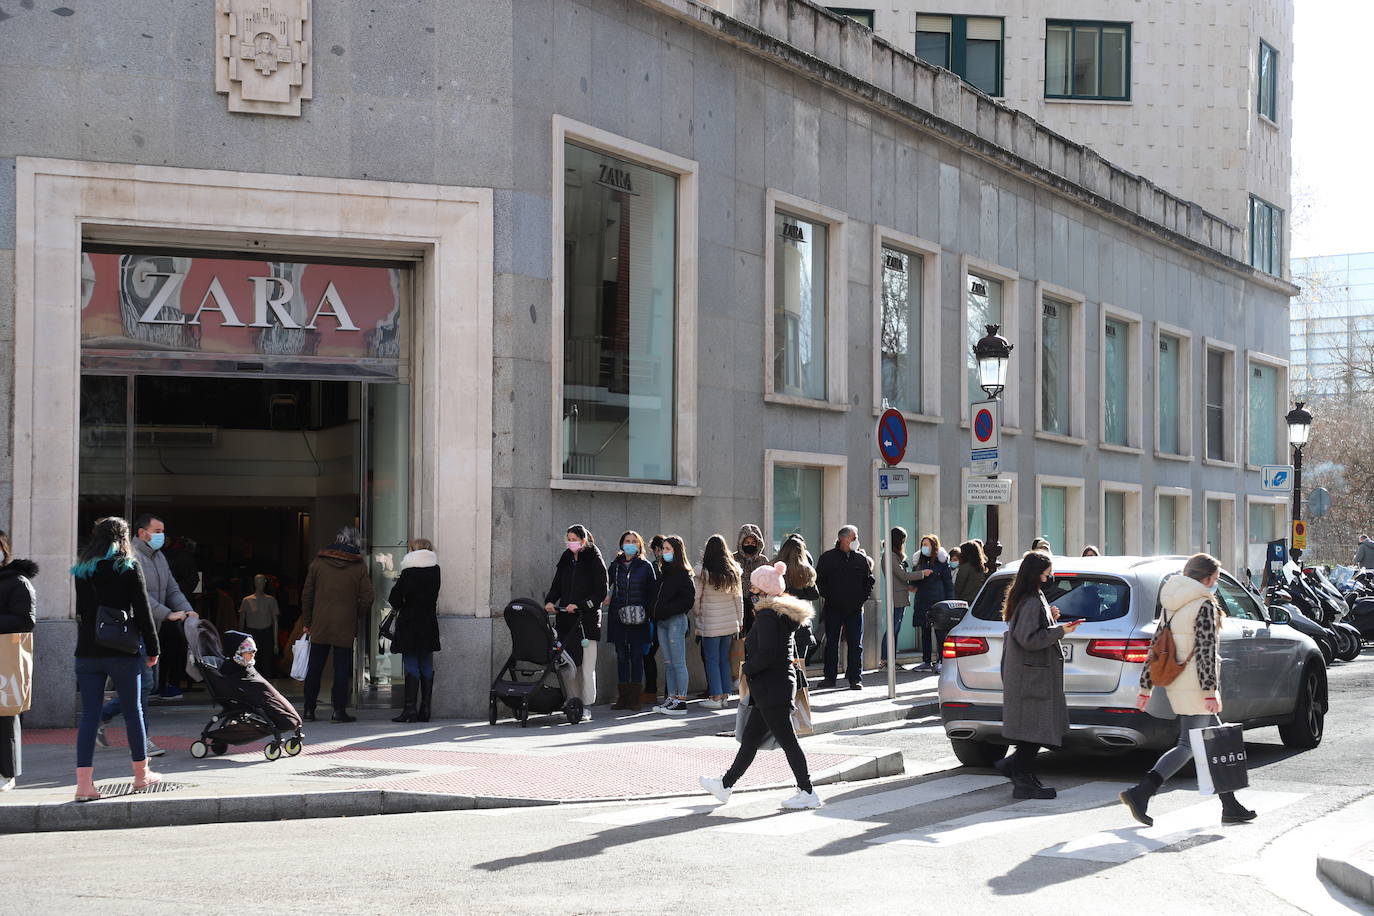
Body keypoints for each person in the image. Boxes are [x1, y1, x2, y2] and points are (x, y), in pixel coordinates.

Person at [1119, 553, 1259, 826]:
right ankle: (1141, 792)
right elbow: (1206, 650)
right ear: (1206, 579)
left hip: (1180, 682)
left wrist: (1145, 686)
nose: (1215, 584)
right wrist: (1210, 692)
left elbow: (1157, 645)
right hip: (1197, 685)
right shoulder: (1203, 604)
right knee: (1187, 745)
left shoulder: (1172, 601)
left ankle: (1230, 805)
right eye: (1215, 579)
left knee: (1216, 741)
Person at [700, 561, 821, 810]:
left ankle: (807, 791)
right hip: (773, 685)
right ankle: (725, 785)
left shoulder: (768, 615)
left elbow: (765, 654)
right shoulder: (780, 613)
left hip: (770, 686)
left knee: (788, 741)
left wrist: (747, 671)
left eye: (754, 586)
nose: (751, 590)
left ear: (764, 589)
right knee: (751, 739)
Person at [71, 517, 162, 802]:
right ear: (124, 538)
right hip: (123, 650)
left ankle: (84, 786)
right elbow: (143, 610)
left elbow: (85, 612)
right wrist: (153, 648)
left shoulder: (82, 570)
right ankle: (141, 775)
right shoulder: (129, 567)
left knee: (88, 717)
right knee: (133, 712)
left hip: (87, 650)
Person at [97, 513, 195, 755]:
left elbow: (172, 588)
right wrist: (167, 613)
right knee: (144, 685)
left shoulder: (159, 557)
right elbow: (138, 596)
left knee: (140, 687)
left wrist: (188, 611)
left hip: (151, 630)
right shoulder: (130, 557)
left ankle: (101, 717)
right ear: (143, 532)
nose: (162, 536)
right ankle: (142, 740)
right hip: (132, 630)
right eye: (158, 530)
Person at [997, 550, 1080, 799]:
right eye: (1047, 573)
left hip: (1032, 674)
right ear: (1037, 574)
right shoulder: (1031, 600)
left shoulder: (1032, 596)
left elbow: (1031, 627)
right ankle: (1020, 776)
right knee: (1035, 728)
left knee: (1034, 729)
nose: (1050, 577)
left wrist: (1051, 620)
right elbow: (1028, 638)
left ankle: (1018, 771)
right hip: (1030, 676)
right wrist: (1061, 631)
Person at [301, 526, 374, 723]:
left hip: (320, 623)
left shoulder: (318, 563)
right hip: (345, 623)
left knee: (314, 667)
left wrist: (308, 621)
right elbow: (368, 597)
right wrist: (355, 615)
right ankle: (339, 711)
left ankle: (309, 710)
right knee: (341, 669)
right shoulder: (359, 566)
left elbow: (307, 594)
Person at [544, 524, 607, 720]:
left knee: (586, 667)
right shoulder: (566, 558)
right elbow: (557, 584)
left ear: (584, 540)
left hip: (586, 622)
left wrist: (580, 605)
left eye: (574, 539)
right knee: (569, 666)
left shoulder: (595, 561)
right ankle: (572, 702)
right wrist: (550, 601)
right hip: (565, 621)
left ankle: (586, 705)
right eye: (568, 538)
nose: (570, 542)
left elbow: (600, 593)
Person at [388, 538, 441, 723]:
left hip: (410, 624)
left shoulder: (409, 572)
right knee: (426, 664)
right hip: (428, 623)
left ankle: (410, 711)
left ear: (413, 551)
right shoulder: (435, 571)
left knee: (411, 664)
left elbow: (394, 599)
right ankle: (425, 710)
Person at [816, 525, 875, 690]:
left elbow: (869, 580)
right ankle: (829, 678)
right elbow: (819, 580)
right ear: (843, 539)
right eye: (853, 537)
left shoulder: (860, 559)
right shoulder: (828, 558)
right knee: (831, 644)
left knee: (856, 644)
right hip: (833, 608)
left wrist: (862, 598)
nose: (856, 540)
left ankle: (855, 678)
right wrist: (829, 595)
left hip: (855, 609)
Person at [0, 531, 37, 792]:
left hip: (5, 658)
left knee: (6, 715)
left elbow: (26, 620)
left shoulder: (18, 582)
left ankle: (7, 772)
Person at [604, 530, 657, 712]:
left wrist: (646, 611)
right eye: (627, 541)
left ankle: (635, 698)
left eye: (634, 541)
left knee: (636, 656)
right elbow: (607, 586)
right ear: (621, 544)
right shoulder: (615, 565)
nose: (630, 544)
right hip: (618, 617)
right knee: (621, 656)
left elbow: (652, 592)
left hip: (639, 618)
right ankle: (623, 697)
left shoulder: (645, 566)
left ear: (639, 545)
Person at [695, 534, 744, 710]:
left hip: (709, 622)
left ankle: (715, 697)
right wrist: (740, 620)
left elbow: (696, 598)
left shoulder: (702, 572)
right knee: (724, 659)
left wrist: (697, 615)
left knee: (711, 660)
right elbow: (738, 599)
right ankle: (724, 695)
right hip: (730, 623)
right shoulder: (732, 572)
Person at [217, 632, 302, 731]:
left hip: (261, 698)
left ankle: (291, 719)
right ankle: (290, 720)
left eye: (254, 652)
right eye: (249, 652)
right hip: (254, 700)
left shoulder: (245, 668)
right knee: (288, 720)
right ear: (238, 653)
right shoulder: (233, 671)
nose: (253, 655)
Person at [653, 535, 695, 717]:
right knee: (668, 662)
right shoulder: (663, 573)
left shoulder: (683, 574)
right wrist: (653, 611)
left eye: (668, 549)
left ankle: (681, 700)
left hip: (676, 621)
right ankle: (671, 697)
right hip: (661, 621)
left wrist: (668, 610)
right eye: (663, 549)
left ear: (677, 551)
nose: (664, 552)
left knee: (678, 662)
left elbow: (687, 600)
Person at [909, 534, 954, 672]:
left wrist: (949, 602)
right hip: (922, 600)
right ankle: (926, 661)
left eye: (927, 544)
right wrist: (921, 574)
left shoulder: (942, 563)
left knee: (940, 633)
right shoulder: (919, 562)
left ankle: (941, 660)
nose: (924, 547)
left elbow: (948, 583)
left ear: (934, 546)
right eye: (923, 544)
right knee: (925, 631)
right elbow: (913, 581)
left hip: (938, 601)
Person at [775, 535, 820, 664]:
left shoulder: (775, 567)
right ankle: (799, 684)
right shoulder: (806, 571)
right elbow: (814, 595)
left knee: (783, 662)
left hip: (780, 619)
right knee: (799, 663)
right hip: (800, 621)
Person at [880, 527, 920, 670]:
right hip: (895, 597)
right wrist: (923, 573)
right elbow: (903, 576)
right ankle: (885, 660)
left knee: (894, 630)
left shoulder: (892, 555)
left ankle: (891, 660)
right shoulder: (890, 555)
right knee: (892, 629)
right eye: (903, 540)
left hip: (899, 595)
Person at [237, 574, 280, 678]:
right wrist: (240, 639)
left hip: (266, 633)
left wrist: (275, 642)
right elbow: (241, 621)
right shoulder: (247, 600)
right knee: (252, 664)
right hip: (252, 633)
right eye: (257, 581)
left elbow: (275, 622)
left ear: (265, 582)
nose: (259, 584)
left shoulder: (271, 600)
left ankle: (268, 686)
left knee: (267, 664)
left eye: (261, 581)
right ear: (254, 583)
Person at [643, 534, 667, 706]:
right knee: (648, 654)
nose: (658, 553)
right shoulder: (651, 567)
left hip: (665, 617)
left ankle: (667, 691)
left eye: (660, 549)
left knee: (669, 656)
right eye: (656, 550)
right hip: (653, 618)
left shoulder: (671, 568)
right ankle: (652, 690)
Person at [954, 540, 989, 605]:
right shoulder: (984, 567)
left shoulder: (965, 567)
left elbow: (959, 586)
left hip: (966, 600)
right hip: (981, 600)